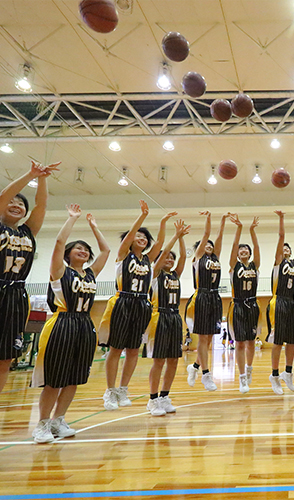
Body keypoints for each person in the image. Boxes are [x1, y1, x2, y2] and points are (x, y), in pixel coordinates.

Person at [31, 205, 110, 443]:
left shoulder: (90, 275)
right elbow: (57, 242)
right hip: (62, 323)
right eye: (78, 248)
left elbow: (105, 251)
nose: (83, 251)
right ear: (68, 253)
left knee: (75, 377)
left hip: (85, 325)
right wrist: (72, 220)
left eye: (86, 250)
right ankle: (42, 424)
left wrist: (94, 228)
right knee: (55, 378)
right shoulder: (59, 271)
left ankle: (58, 420)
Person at [99, 201, 177, 410]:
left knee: (133, 350)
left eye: (145, 237)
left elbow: (161, 245)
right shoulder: (124, 254)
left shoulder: (148, 260)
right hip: (123, 301)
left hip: (142, 304)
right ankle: (110, 390)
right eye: (138, 236)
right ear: (131, 239)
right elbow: (128, 238)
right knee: (115, 349)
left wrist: (163, 223)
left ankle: (123, 389)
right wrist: (142, 217)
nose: (141, 238)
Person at [0, 160, 60, 394]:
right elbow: (4, 195)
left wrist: (43, 179)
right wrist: (30, 174)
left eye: (21, 204)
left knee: (6, 356)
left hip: (16, 295)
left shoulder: (28, 232)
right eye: (12, 202)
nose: (15, 205)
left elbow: (41, 206)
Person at [145, 219, 190, 416]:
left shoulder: (175, 276)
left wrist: (181, 240)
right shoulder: (154, 274)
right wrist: (175, 236)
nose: (170, 260)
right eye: (166, 258)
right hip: (159, 317)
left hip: (174, 318)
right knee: (159, 361)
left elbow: (183, 258)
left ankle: (164, 396)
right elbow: (163, 253)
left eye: (171, 259)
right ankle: (152, 399)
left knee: (173, 360)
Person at [185, 211, 230, 391]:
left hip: (215, 298)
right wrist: (209, 218)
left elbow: (219, 237)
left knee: (209, 339)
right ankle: (206, 374)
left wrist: (223, 221)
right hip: (201, 296)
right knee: (203, 338)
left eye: (211, 245)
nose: (209, 245)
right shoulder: (198, 259)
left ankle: (194, 367)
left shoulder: (215, 258)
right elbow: (206, 235)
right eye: (206, 244)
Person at [267, 210, 294, 395]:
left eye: (288, 248)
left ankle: (287, 372)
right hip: (279, 302)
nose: (286, 249)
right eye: (283, 248)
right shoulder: (278, 262)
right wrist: (282, 219)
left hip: (292, 304)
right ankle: (274, 375)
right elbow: (281, 237)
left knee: (291, 341)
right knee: (278, 342)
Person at [228, 214, 261, 393]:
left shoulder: (254, 265)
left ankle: (249, 369)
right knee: (239, 343)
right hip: (238, 306)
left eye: (245, 250)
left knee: (251, 341)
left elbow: (256, 247)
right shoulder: (234, 266)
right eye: (240, 250)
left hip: (253, 306)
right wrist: (239, 229)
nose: (243, 251)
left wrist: (251, 230)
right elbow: (234, 247)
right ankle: (241, 377)